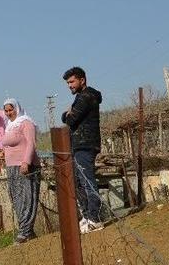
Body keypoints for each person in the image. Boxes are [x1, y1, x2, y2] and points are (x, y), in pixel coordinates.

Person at [61, 66, 104, 233]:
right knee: (79, 182)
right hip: (79, 145)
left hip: (85, 144)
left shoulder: (86, 97)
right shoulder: (81, 97)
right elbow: (69, 117)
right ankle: (87, 216)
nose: (69, 85)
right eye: (68, 83)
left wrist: (67, 114)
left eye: (72, 82)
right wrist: (68, 114)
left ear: (82, 80)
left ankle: (95, 218)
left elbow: (71, 120)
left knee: (87, 181)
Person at [0, 98, 41, 244]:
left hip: (26, 167)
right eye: (6, 111)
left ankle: (24, 232)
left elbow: (31, 143)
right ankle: (28, 231)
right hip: (12, 167)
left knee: (27, 198)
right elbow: (9, 144)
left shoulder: (26, 123)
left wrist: (26, 162)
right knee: (16, 198)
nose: (8, 113)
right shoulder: (9, 126)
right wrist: (3, 152)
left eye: (11, 110)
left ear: (17, 108)